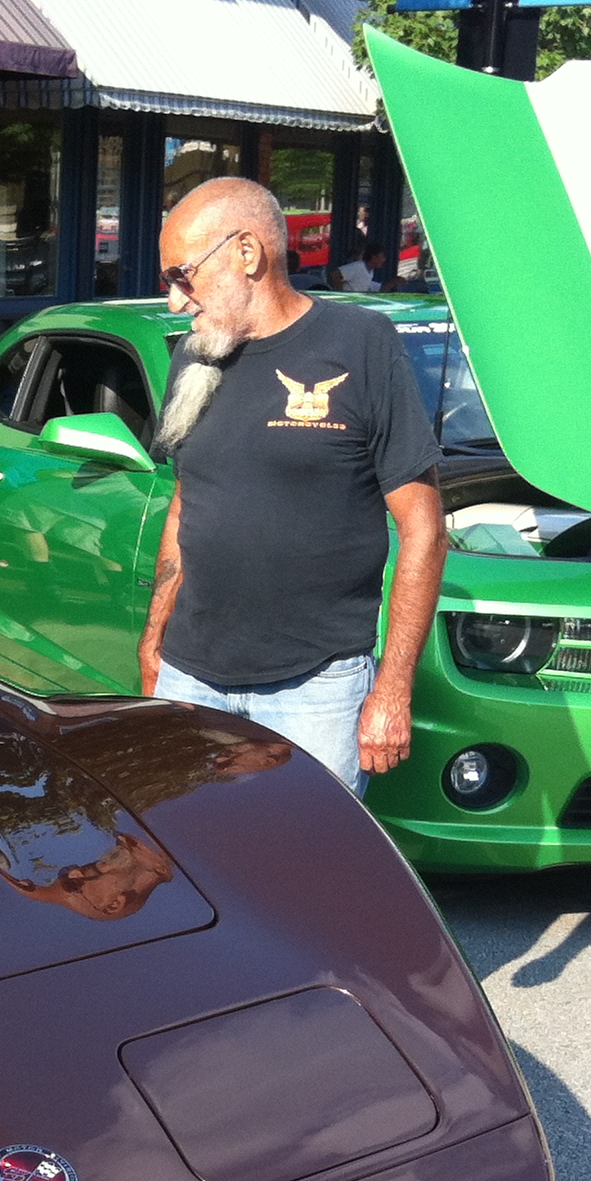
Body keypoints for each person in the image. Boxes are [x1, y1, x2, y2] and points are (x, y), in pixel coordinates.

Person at [137, 176, 446, 797]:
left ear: (247, 252)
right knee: (192, 847)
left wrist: (392, 689)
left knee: (305, 854)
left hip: (316, 690)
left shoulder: (360, 344)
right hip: (191, 678)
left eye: (182, 276)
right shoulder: (194, 357)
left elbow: (424, 529)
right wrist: (154, 640)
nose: (174, 301)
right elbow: (185, 503)